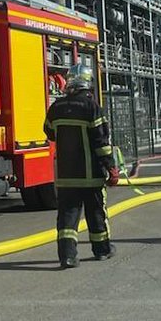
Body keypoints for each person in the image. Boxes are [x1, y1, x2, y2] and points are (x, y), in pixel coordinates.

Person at [43, 63, 119, 269]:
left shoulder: (56, 107)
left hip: (66, 175)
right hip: (91, 174)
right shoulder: (92, 107)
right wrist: (111, 168)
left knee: (67, 217)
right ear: (88, 83)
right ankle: (102, 250)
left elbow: (49, 132)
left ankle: (67, 257)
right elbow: (101, 143)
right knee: (96, 213)